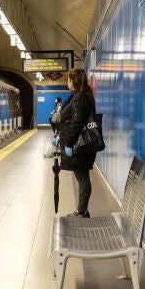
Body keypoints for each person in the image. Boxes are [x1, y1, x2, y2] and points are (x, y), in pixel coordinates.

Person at [53, 68, 97, 217]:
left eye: (68, 80)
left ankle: (82, 211)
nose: (67, 82)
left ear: (72, 81)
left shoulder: (79, 97)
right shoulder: (79, 96)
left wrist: (69, 143)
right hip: (78, 143)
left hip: (80, 145)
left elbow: (77, 122)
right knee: (81, 177)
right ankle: (81, 210)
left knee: (82, 178)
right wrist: (62, 136)